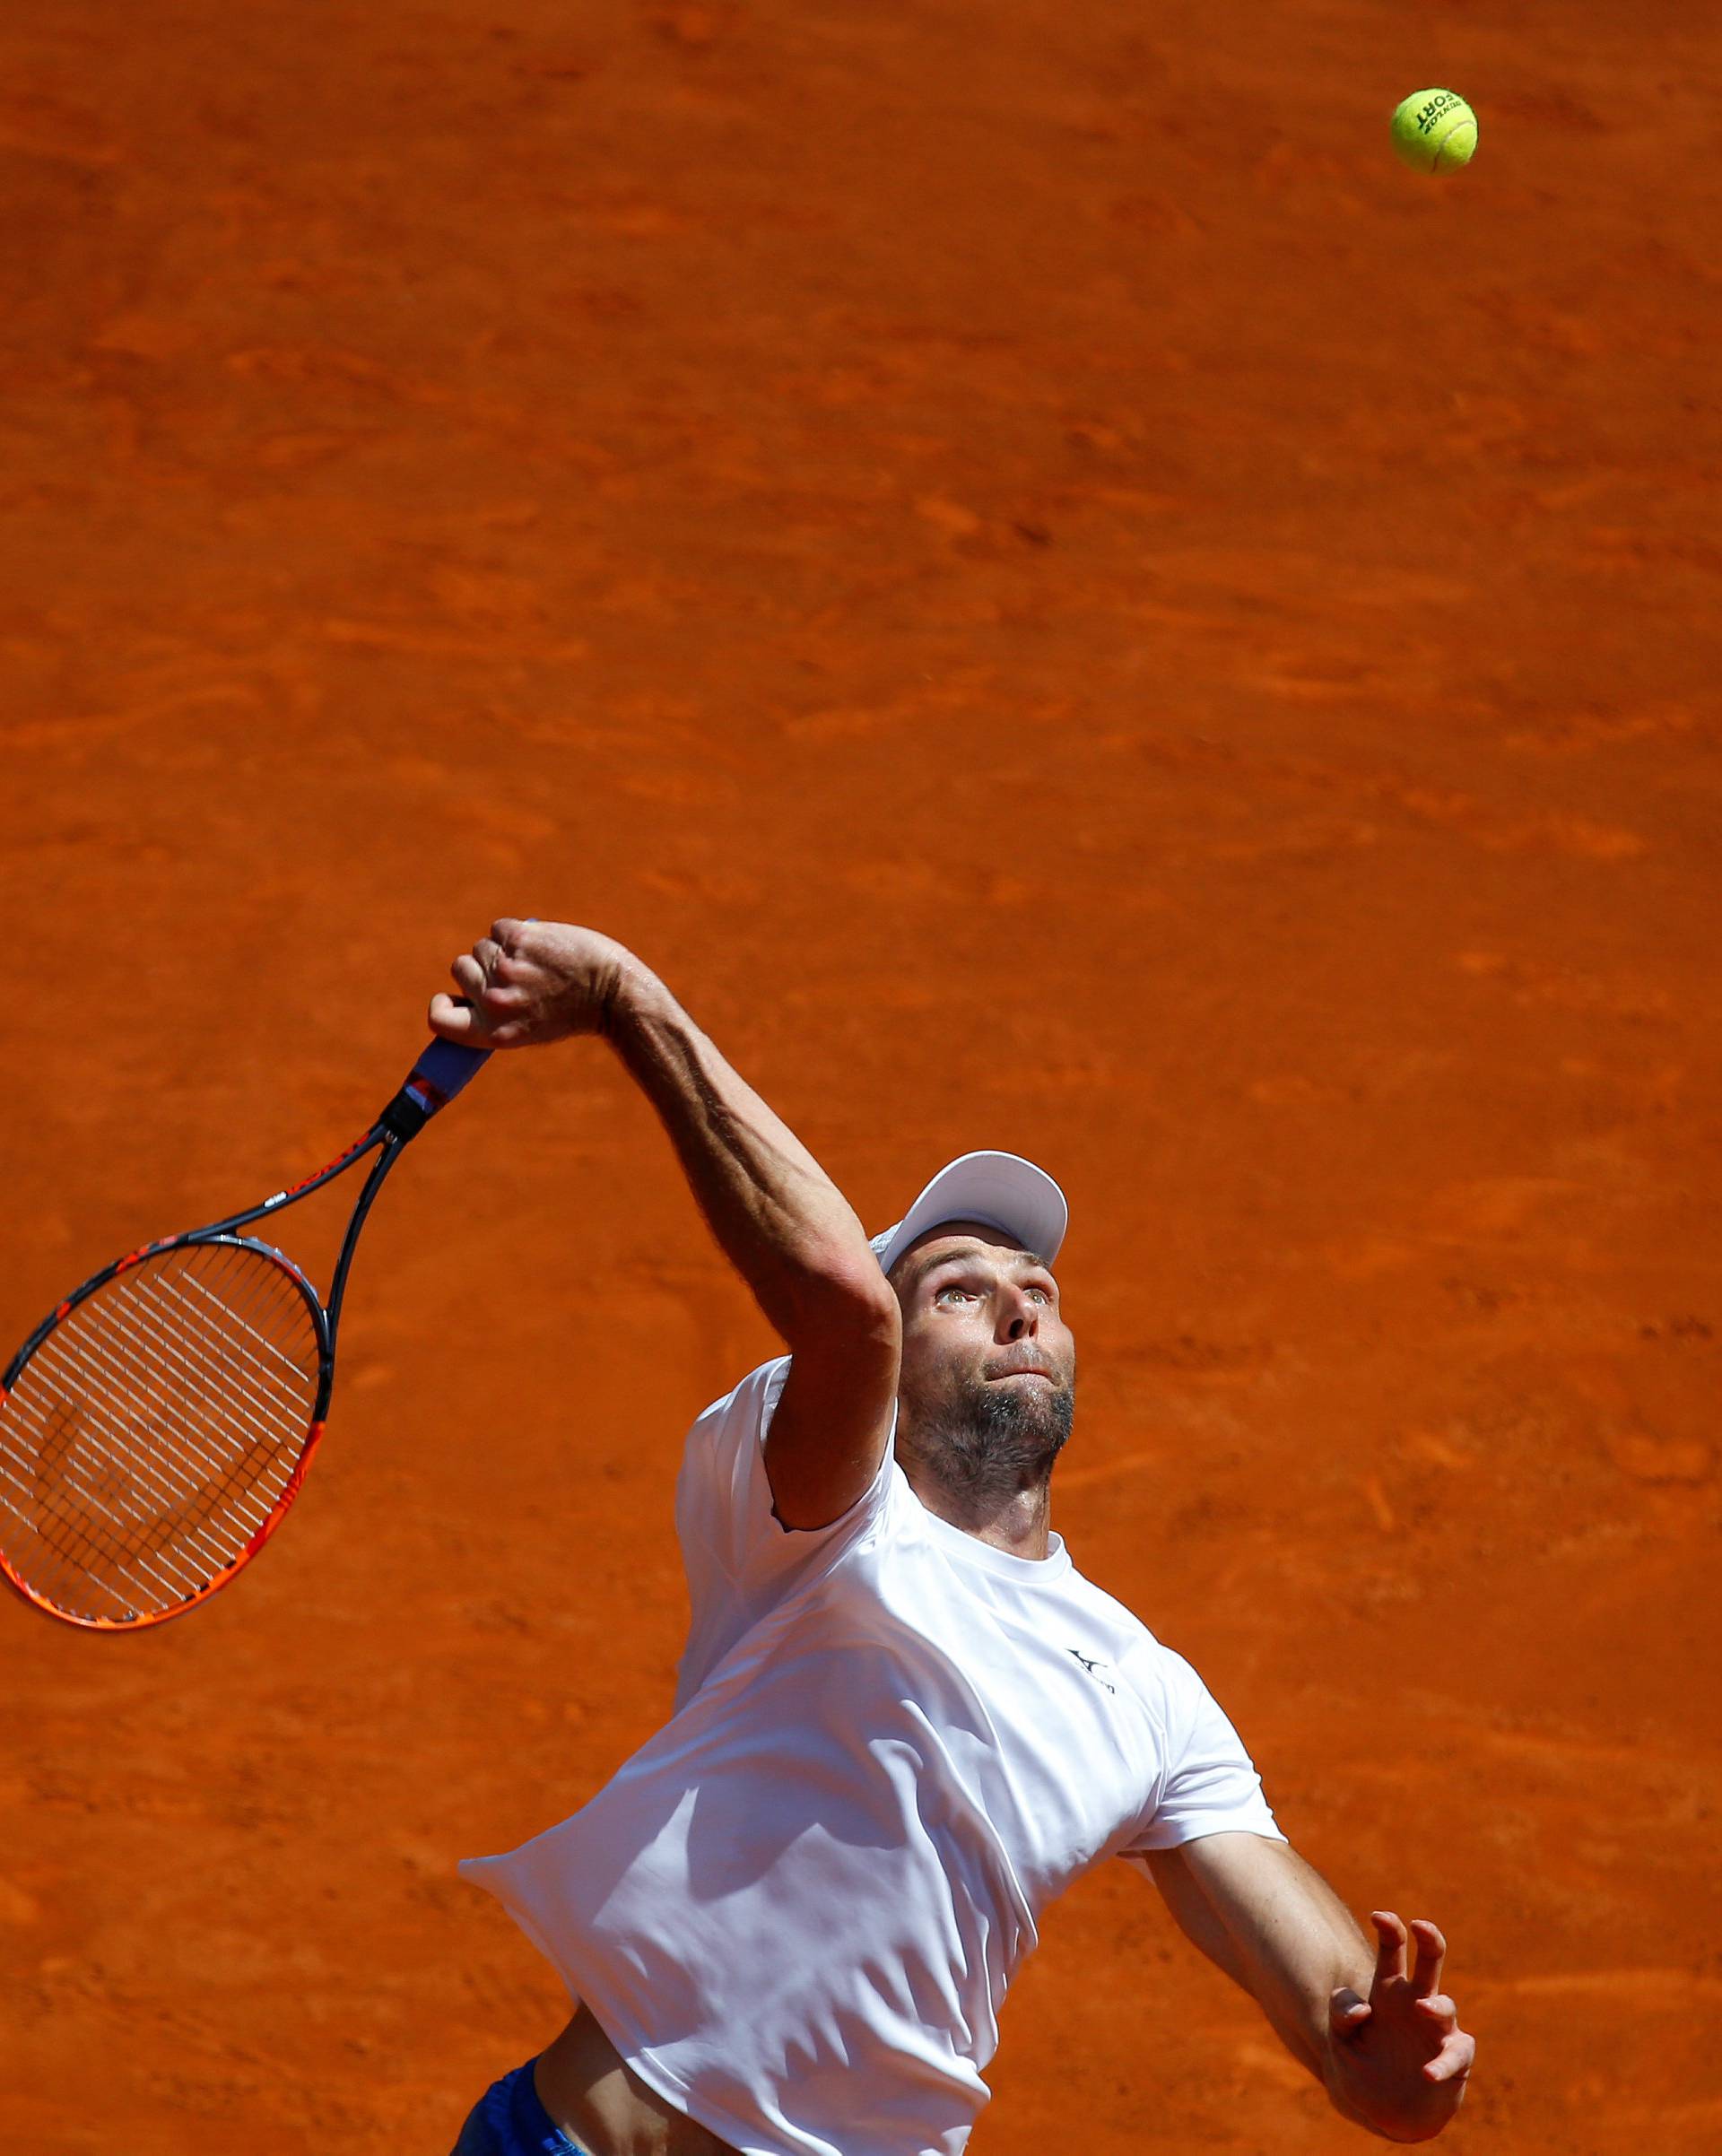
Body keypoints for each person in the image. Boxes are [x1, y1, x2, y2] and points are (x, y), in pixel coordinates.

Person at [434, 920, 1475, 2156]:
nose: (1020, 1296)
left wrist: (1396, 2070)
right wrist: (628, 1002)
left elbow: (1353, 2042)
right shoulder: (807, 1516)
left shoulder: (1147, 1695)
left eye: (1037, 1285)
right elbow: (839, 1307)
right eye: (958, 1287)